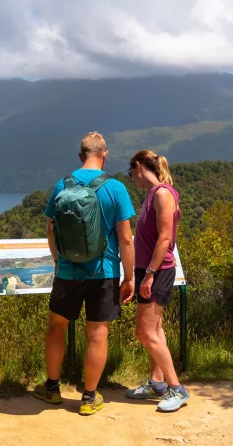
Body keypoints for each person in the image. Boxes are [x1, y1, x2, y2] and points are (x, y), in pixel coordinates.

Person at [33, 131, 136, 416]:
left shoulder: (61, 185)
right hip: (103, 273)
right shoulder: (115, 188)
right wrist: (129, 277)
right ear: (105, 155)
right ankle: (89, 398)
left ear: (80, 156)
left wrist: (58, 262)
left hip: (68, 272)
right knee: (97, 334)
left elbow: (51, 229)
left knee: (56, 327)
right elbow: (126, 239)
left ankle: (52, 388)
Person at [124, 150, 190, 412]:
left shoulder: (162, 194)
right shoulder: (153, 195)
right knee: (157, 329)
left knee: (145, 332)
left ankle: (177, 389)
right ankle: (157, 382)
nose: (132, 179)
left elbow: (165, 239)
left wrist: (149, 274)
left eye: (131, 173)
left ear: (139, 167)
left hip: (157, 271)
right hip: (148, 269)